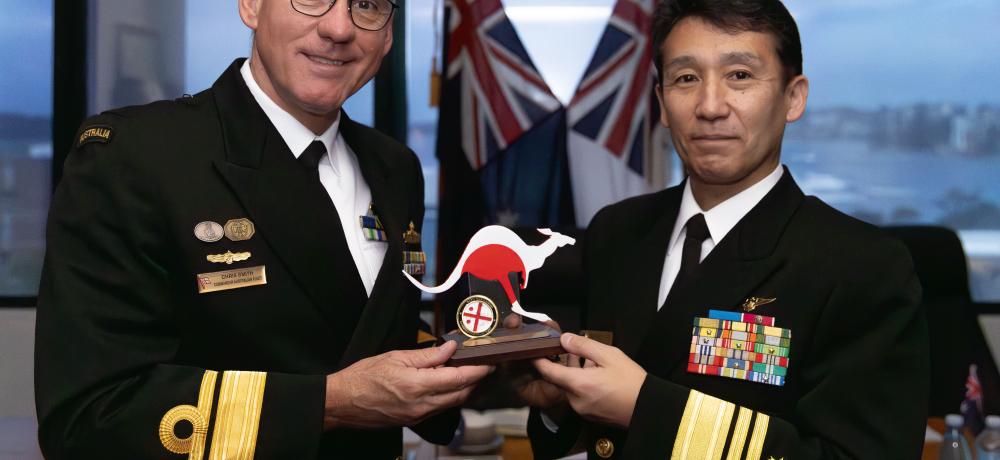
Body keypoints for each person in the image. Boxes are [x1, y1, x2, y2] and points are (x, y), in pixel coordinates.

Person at [34, 0, 492, 458]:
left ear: (388, 33)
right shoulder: (135, 158)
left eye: (367, 6)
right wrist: (330, 404)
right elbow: (89, 418)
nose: (338, 28)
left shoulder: (395, 167)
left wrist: (503, 367)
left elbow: (366, 331)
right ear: (251, 6)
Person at [521, 0, 929, 458]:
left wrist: (645, 407)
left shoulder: (862, 266)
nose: (710, 106)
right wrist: (561, 406)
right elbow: (601, 436)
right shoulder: (618, 231)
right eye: (686, 78)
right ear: (661, 103)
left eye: (739, 75)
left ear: (793, 98)